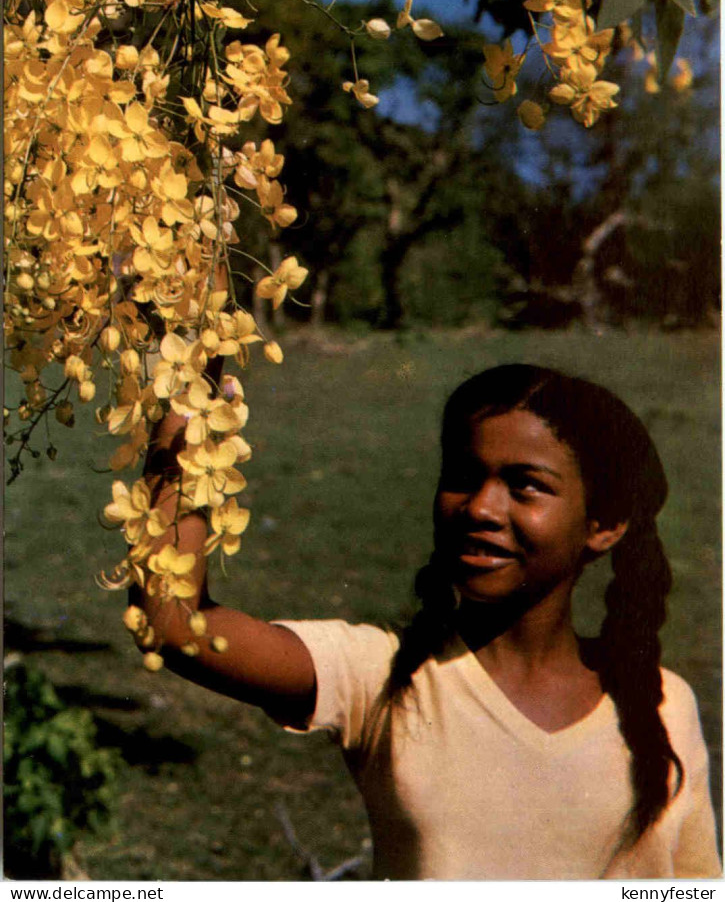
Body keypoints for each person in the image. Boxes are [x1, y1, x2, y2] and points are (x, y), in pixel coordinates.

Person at [134, 361, 721, 880]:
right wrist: (193, 385)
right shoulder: (381, 676)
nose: (481, 509)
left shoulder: (665, 706)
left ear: (604, 525)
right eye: (464, 477)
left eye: (526, 486)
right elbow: (175, 624)